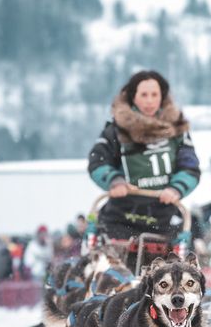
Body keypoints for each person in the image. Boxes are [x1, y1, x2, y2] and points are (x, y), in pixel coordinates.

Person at [86, 69, 200, 241]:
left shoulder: (177, 129)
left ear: (162, 97)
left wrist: (176, 189)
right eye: (144, 95)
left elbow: (190, 167)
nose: (150, 101)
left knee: (178, 263)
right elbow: (98, 162)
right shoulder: (116, 130)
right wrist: (115, 181)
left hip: (163, 217)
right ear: (133, 97)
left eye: (155, 94)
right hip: (121, 217)